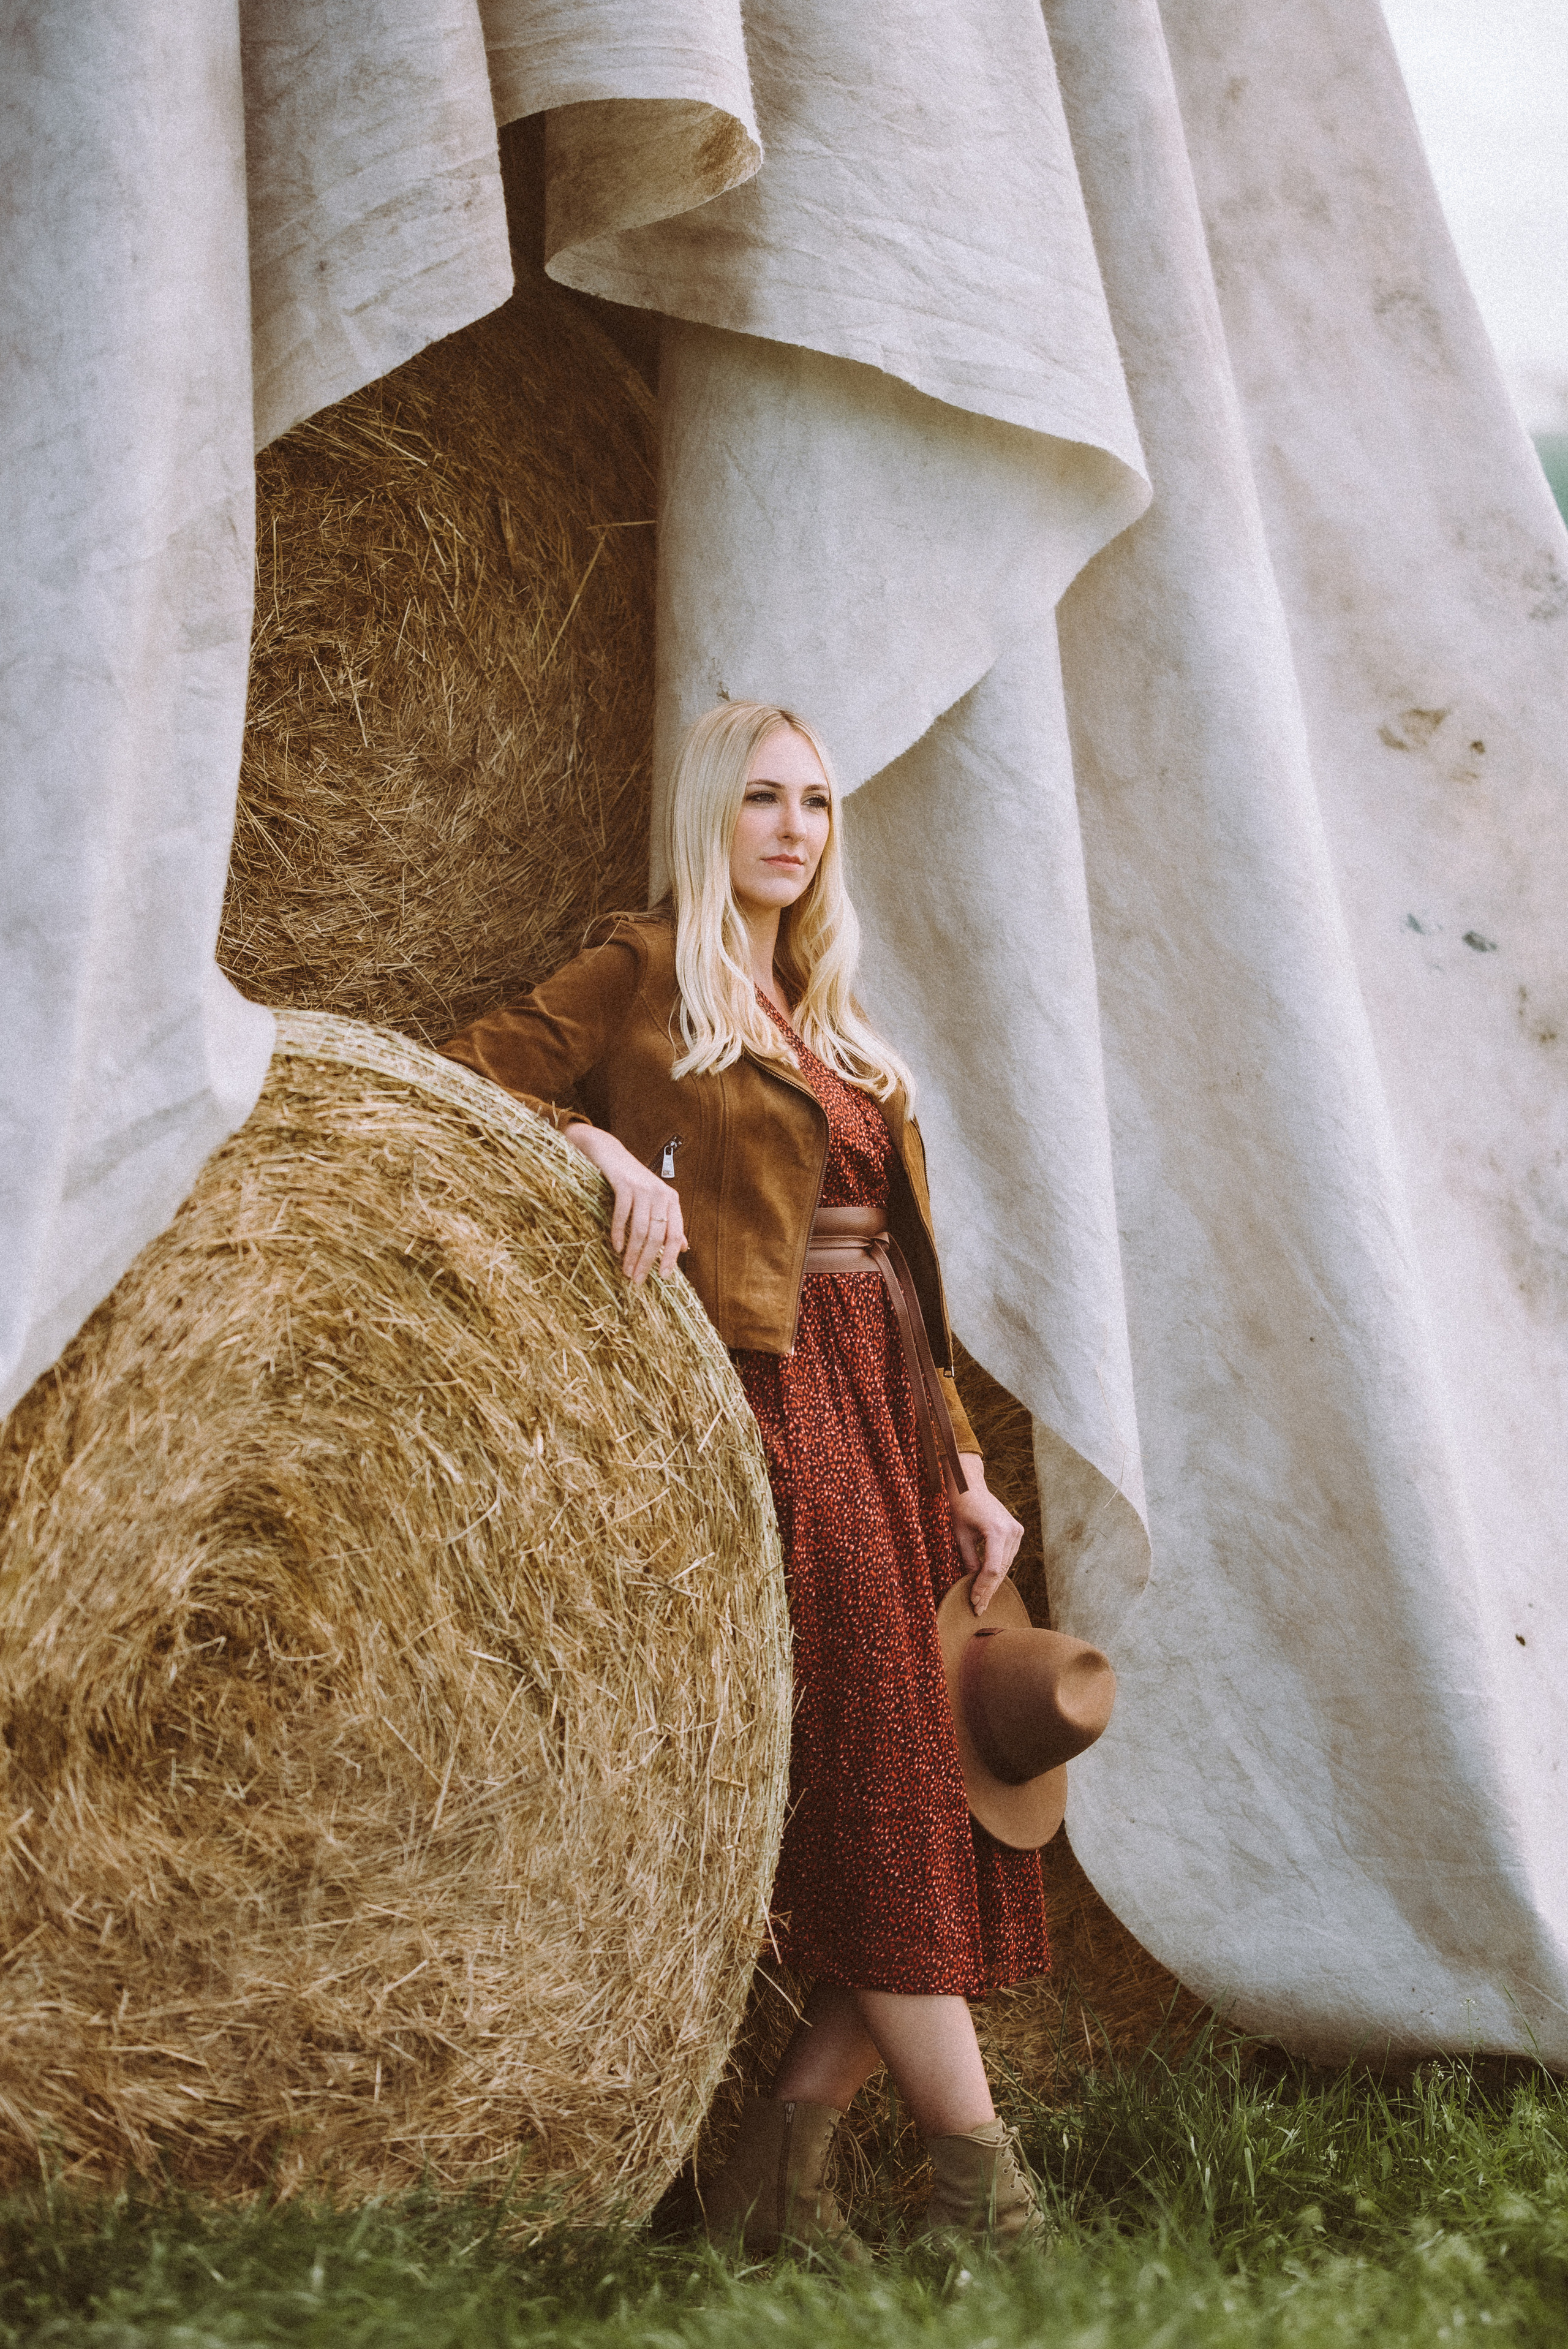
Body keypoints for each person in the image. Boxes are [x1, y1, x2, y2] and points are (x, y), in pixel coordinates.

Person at [443, 700, 1049, 2255]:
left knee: (917, 1791)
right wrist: (587, 1145)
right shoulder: (644, 975)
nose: (793, 828)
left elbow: (901, 1278)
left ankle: (772, 2178)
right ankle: (983, 2195)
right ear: (713, 815)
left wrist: (969, 1465)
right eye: (763, 800)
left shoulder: (834, 1023)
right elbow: (452, 1076)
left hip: (884, 1410)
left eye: (818, 805)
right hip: (764, 1404)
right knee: (891, 1787)